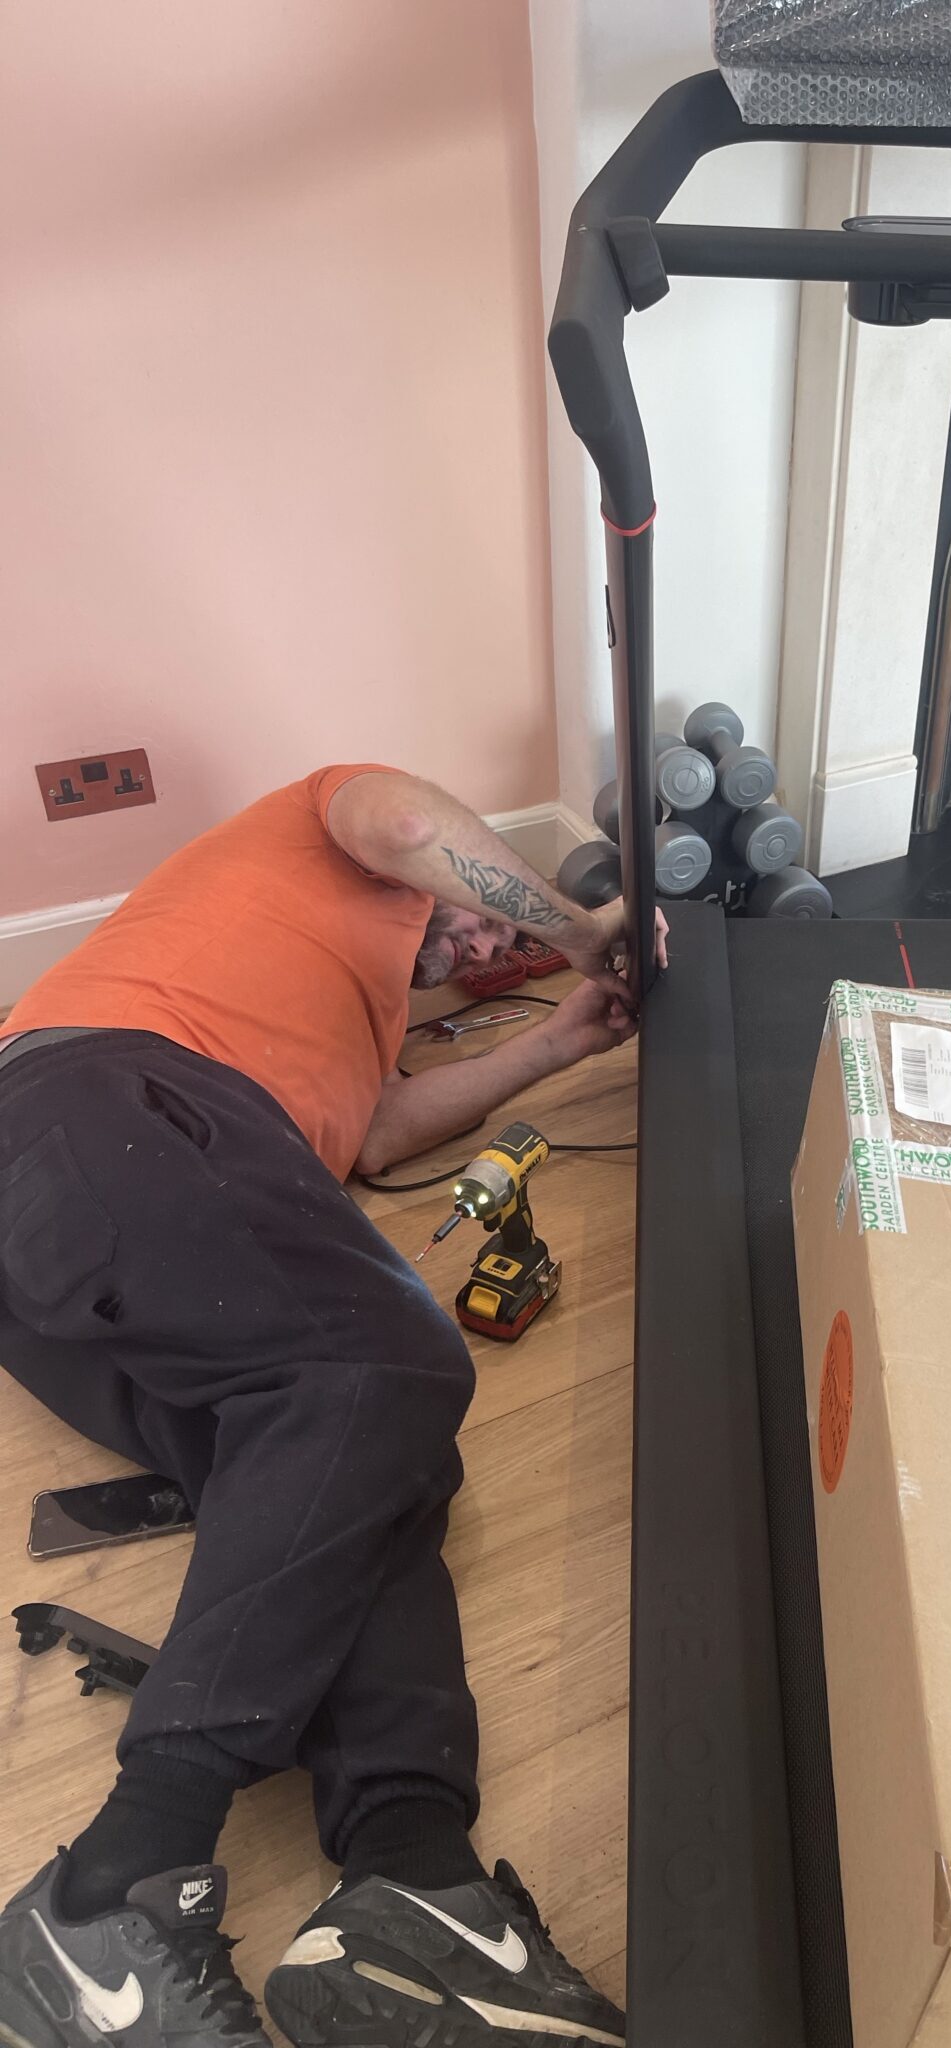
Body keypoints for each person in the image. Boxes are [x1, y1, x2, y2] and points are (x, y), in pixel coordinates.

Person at [0, 765, 663, 2048]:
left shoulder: (353, 1028)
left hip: (76, 1237)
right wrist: (586, 922)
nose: (491, 939)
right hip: (95, 1103)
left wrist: (561, 1033)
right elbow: (407, 825)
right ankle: (107, 1886)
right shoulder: (323, 828)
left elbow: (377, 1139)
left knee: (371, 1465)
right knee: (383, 1369)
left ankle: (417, 1883)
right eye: (484, 920)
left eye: (501, 946)